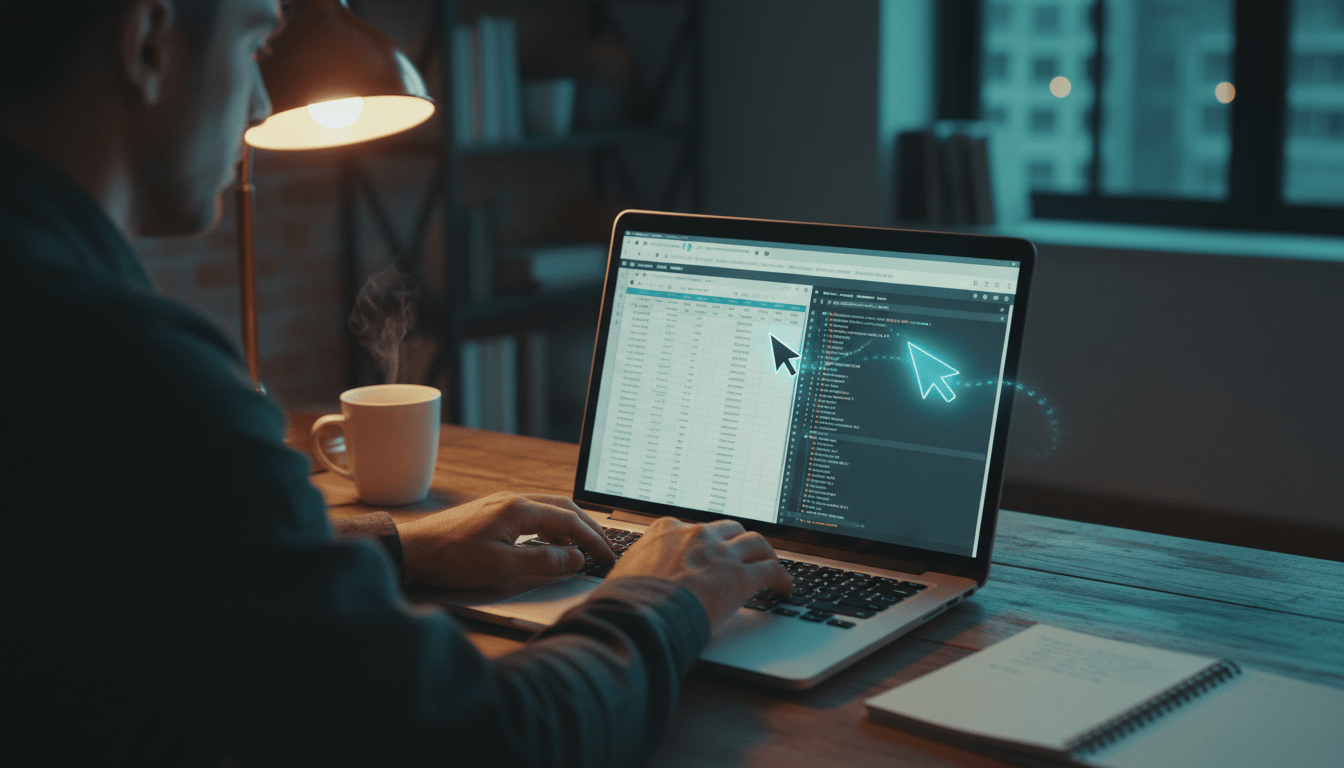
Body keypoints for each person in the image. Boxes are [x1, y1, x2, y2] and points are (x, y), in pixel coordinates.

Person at [1, 1, 792, 766]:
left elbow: (152, 574)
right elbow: (497, 742)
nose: (259, 104)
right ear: (148, 41)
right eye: (250, 45)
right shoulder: (132, 374)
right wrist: (663, 595)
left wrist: (394, 547)